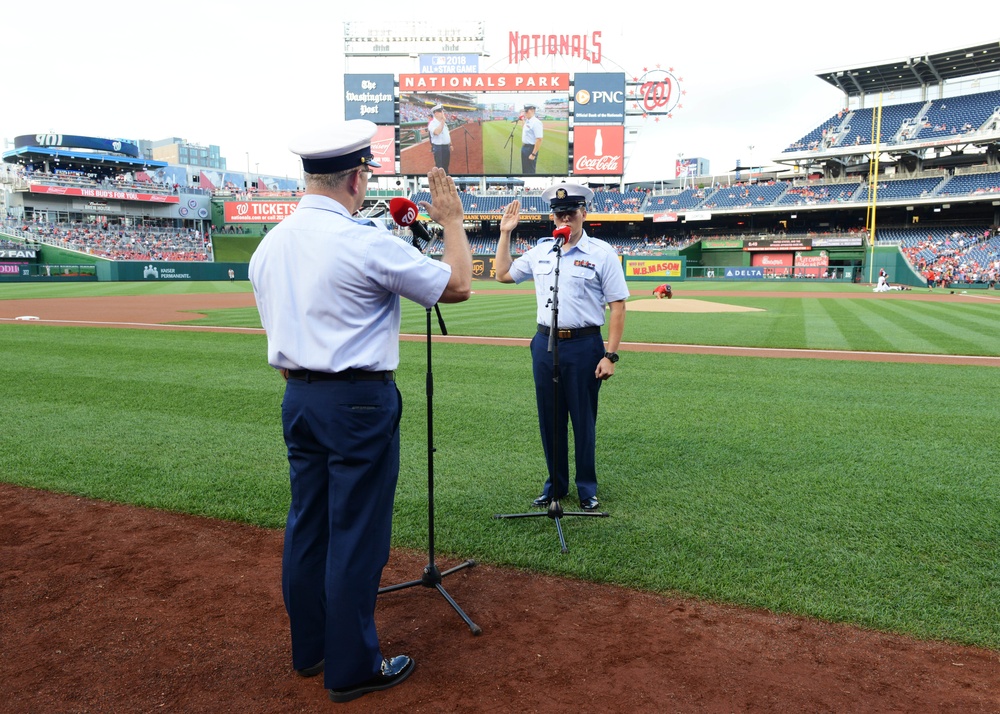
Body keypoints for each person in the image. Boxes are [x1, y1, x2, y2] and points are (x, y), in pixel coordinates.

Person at [248, 120, 472, 704]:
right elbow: (457, 286)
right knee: (357, 536)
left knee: (308, 526)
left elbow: (275, 331)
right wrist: (450, 220)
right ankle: (351, 667)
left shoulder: (269, 244)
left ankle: (312, 651)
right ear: (354, 178)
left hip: (297, 395)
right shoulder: (362, 239)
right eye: (366, 174)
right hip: (358, 400)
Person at [493, 184, 629, 511]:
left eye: (571, 212)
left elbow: (618, 306)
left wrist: (610, 355)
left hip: (584, 345)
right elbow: (502, 274)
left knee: (583, 420)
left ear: (584, 214)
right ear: (552, 217)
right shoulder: (542, 251)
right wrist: (505, 234)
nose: (565, 217)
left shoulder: (601, 253)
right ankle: (555, 485)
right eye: (559, 213)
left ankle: (586, 489)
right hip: (545, 344)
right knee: (550, 420)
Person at [520, 103, 544, 174]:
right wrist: (522, 120)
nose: (525, 113)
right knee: (525, 169)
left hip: (530, 149)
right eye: (525, 111)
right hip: (525, 147)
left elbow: (539, 139)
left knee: (530, 170)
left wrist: (533, 154)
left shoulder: (536, 122)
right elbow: (525, 127)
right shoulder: (528, 121)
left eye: (526, 111)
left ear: (532, 110)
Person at [428, 104, 451, 173]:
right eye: (442, 112)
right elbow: (437, 132)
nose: (443, 113)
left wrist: (450, 144)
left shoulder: (443, 123)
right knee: (440, 168)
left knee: (446, 166)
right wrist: (443, 121)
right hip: (439, 148)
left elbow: (447, 134)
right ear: (436, 113)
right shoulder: (432, 123)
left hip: (446, 147)